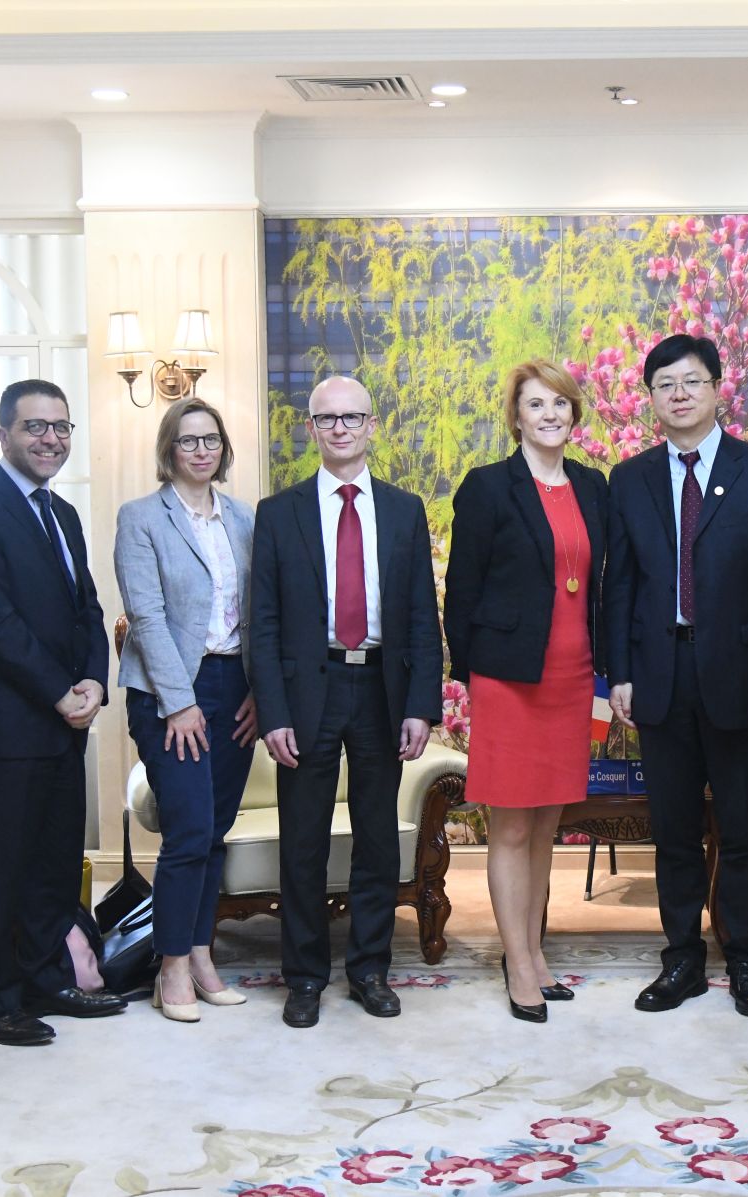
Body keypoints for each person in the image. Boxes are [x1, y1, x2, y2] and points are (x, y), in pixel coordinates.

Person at [602, 333, 748, 1017]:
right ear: (652, 398)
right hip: (659, 675)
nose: (679, 394)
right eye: (665, 385)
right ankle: (683, 958)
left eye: (691, 381)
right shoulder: (629, 479)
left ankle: (746, 957)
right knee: (674, 829)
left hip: (742, 676)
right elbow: (619, 585)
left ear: (718, 388)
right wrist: (619, 672)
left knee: (744, 828)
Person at [249, 376, 443, 1030]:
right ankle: (304, 976)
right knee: (302, 842)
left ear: (371, 425)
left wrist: (421, 704)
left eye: (352, 417)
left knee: (378, 840)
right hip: (310, 691)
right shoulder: (279, 513)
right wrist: (273, 713)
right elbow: (263, 623)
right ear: (311, 428)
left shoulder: (404, 510)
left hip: (382, 689)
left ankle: (369, 970)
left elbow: (422, 617)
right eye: (327, 418)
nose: (340, 428)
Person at [0, 379, 125, 1046]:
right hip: (4, 724)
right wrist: (57, 690)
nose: (51, 439)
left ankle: (48, 977)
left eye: (61, 427)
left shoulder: (63, 512)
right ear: (4, 435)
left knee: (55, 862)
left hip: (65, 722)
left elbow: (87, 609)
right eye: (35, 426)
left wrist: (94, 681)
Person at [444, 361, 608, 1022]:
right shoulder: (488, 487)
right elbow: (462, 591)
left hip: (574, 677)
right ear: (516, 417)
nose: (549, 415)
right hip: (509, 679)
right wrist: (474, 676)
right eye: (536, 405)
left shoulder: (593, 487)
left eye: (560, 404)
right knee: (512, 823)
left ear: (574, 414)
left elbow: (603, 585)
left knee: (547, 822)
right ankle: (516, 963)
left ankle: (535, 953)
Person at [114, 398, 260, 1023]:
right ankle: (170, 965)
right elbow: (145, 617)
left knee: (215, 830)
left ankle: (201, 954)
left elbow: (260, 613)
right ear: (168, 449)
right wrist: (179, 705)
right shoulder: (141, 518)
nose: (201, 450)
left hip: (236, 688)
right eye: (188, 440)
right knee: (190, 829)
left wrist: (259, 691)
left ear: (224, 449)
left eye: (211, 440)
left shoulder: (245, 518)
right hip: (168, 692)